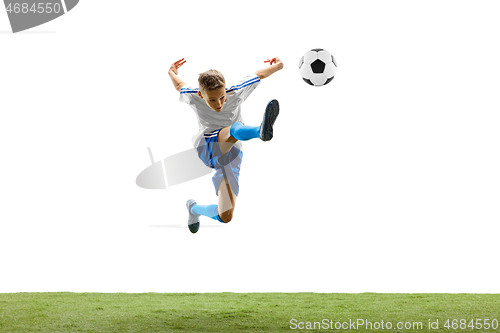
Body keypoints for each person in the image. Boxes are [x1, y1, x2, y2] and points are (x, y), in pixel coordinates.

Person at [168, 57, 284, 233]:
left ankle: (193, 209)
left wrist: (279, 65)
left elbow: (259, 74)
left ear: (226, 90)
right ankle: (258, 131)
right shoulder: (193, 96)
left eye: (222, 97)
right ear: (201, 94)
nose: (219, 104)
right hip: (207, 146)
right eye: (212, 100)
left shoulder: (236, 92)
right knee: (232, 130)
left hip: (233, 155)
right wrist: (171, 72)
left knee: (226, 216)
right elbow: (179, 85)